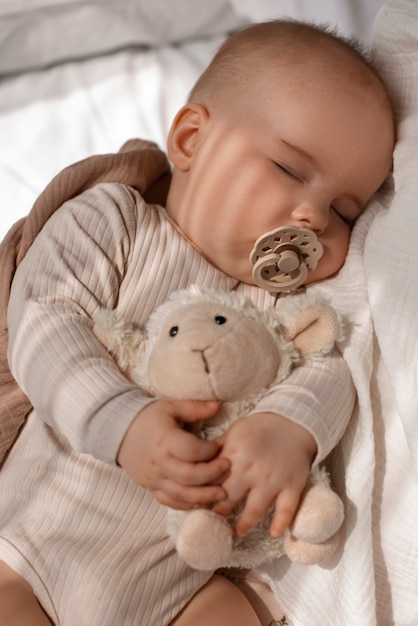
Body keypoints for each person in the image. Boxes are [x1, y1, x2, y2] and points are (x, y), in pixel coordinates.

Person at [0, 19, 394, 626]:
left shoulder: (280, 305)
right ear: (191, 140)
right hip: (29, 550)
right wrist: (120, 424)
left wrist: (290, 427)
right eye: (290, 171)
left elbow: (330, 369)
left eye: (345, 211)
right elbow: (43, 320)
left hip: (177, 586)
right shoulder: (116, 220)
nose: (311, 216)